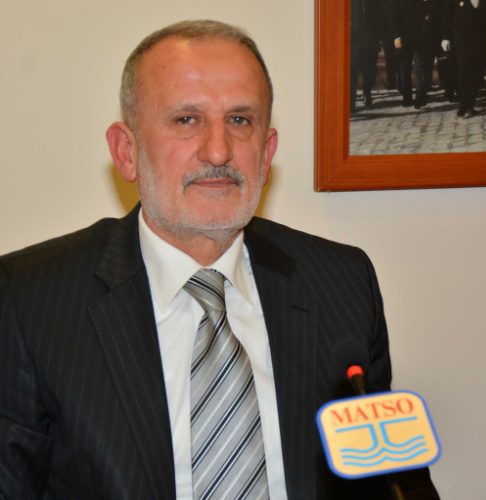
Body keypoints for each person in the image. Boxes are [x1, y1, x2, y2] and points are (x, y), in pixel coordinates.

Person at [0, 20, 440, 499]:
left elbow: (388, 481)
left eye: (240, 120)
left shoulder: (342, 283)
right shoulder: (30, 301)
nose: (218, 150)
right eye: (186, 120)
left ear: (266, 153)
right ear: (126, 152)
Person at [441, 0, 486, 117]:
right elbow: (448, 16)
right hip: (462, 38)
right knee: (465, 70)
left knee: (477, 71)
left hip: (481, 38)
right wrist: (445, 37)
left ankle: (470, 103)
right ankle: (464, 106)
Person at [390, 0, 445, 109]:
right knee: (404, 69)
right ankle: (407, 97)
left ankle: (420, 98)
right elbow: (393, 14)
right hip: (403, 37)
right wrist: (396, 35)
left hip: (420, 36)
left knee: (421, 68)